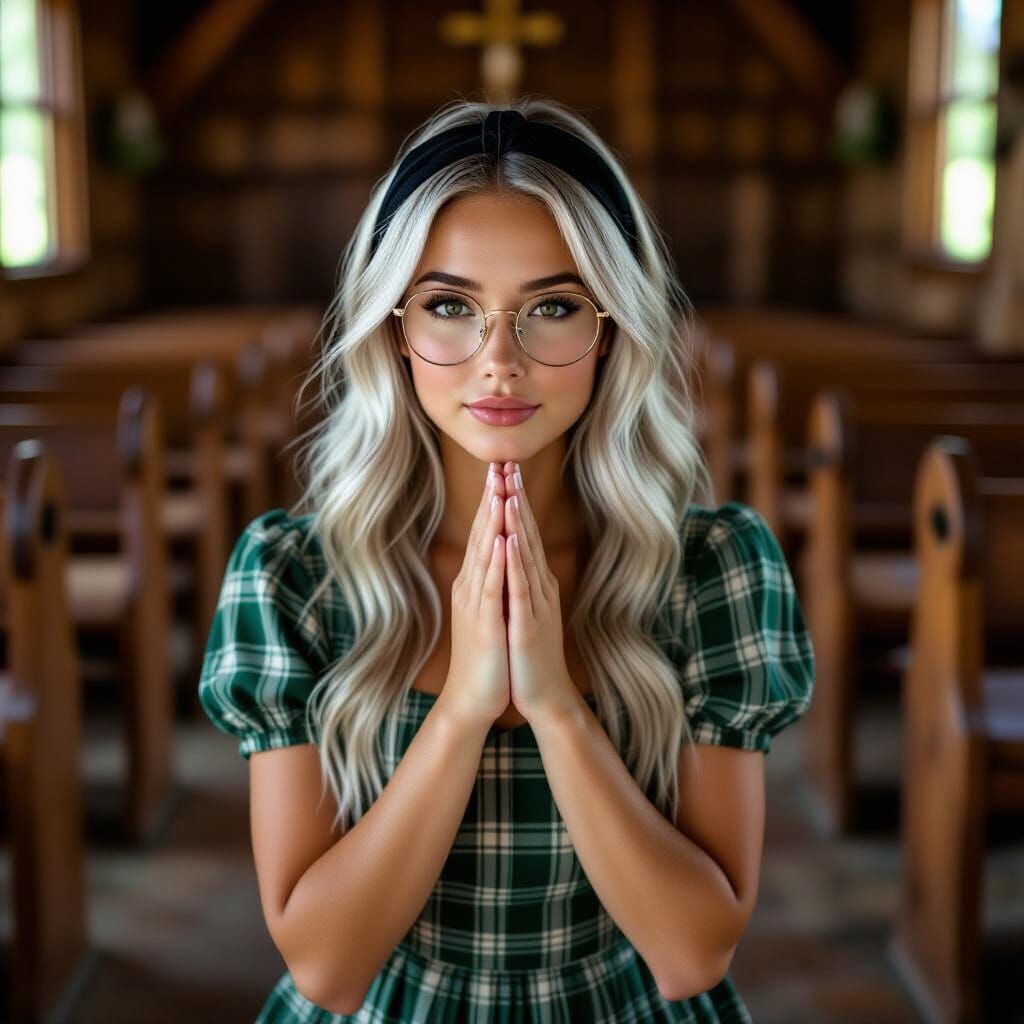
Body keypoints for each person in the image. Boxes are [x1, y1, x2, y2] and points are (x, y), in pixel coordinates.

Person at [198, 97, 815, 1023]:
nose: (498, 362)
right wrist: (462, 710)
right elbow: (326, 969)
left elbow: (693, 953)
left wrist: (558, 704)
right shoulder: (289, 576)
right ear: (392, 328)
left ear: (612, 328)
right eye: (450, 306)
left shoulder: (717, 566)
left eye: (552, 308)